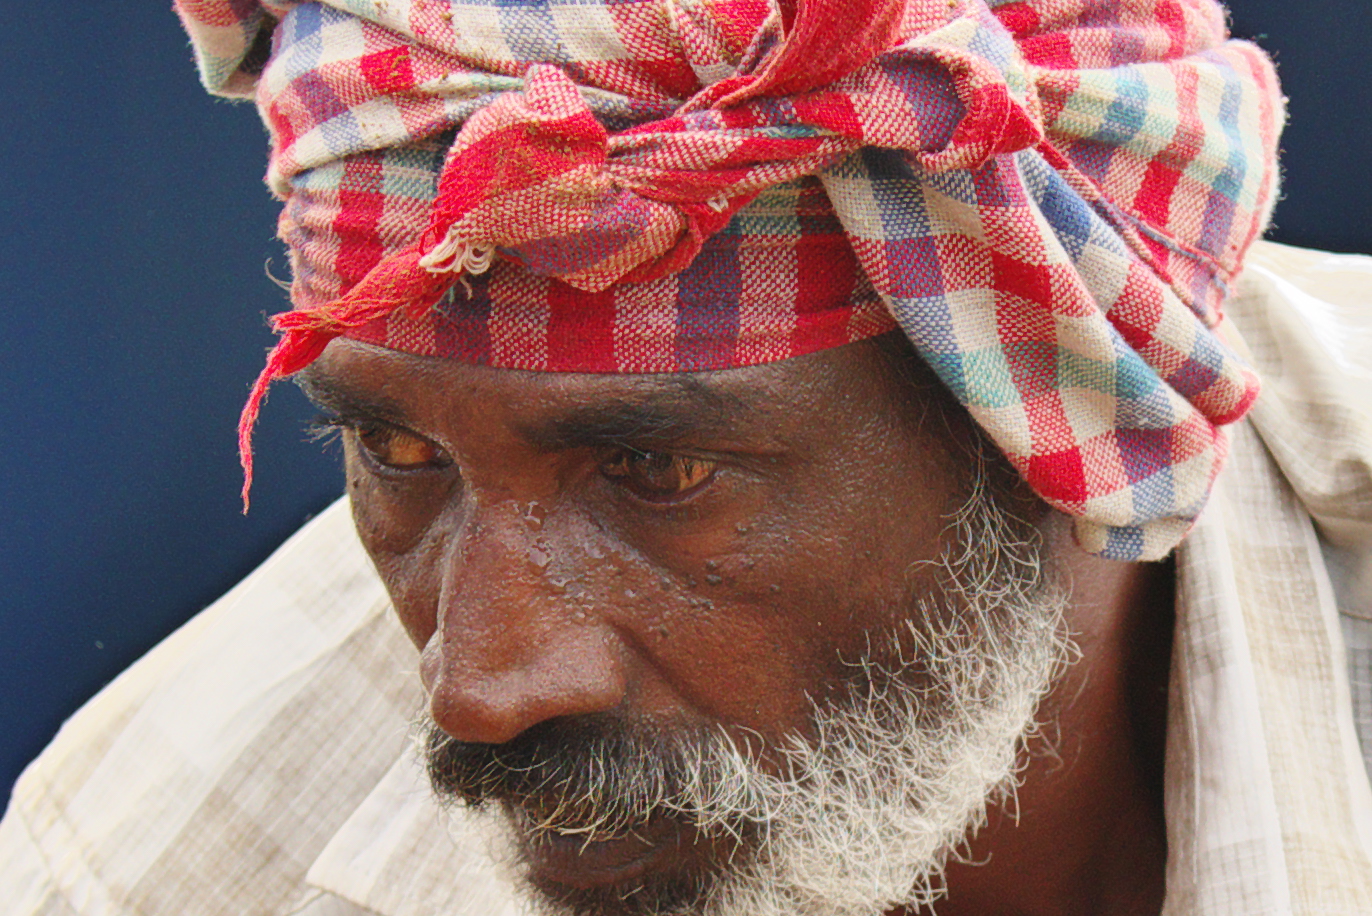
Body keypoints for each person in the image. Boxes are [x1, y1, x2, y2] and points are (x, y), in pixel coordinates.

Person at [3, 0, 1372, 913]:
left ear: (1055, 417)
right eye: (398, 449)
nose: (477, 689)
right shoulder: (148, 867)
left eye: (657, 473)